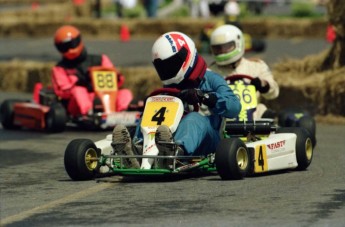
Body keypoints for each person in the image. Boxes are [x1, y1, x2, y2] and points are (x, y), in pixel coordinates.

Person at [112, 31, 241, 169]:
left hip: (210, 139)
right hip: (170, 137)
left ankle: (175, 153)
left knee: (193, 118)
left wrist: (204, 97)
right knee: (148, 113)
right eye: (164, 67)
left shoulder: (211, 79)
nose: (168, 70)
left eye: (172, 64)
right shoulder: (170, 85)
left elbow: (234, 107)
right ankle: (136, 150)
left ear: (186, 56)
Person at [51, 25, 133, 118]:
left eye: (72, 44)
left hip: (103, 96)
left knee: (125, 93)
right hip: (77, 104)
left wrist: (117, 78)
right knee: (79, 91)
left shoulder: (101, 60)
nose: (70, 49)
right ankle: (88, 114)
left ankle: (122, 112)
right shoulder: (60, 68)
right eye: (65, 47)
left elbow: (114, 82)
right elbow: (62, 92)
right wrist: (81, 82)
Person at [209, 24, 279, 120]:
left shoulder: (256, 66)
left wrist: (263, 85)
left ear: (238, 44)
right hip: (223, 119)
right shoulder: (210, 72)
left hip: (254, 117)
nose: (222, 51)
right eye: (218, 48)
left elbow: (274, 93)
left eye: (226, 47)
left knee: (267, 113)